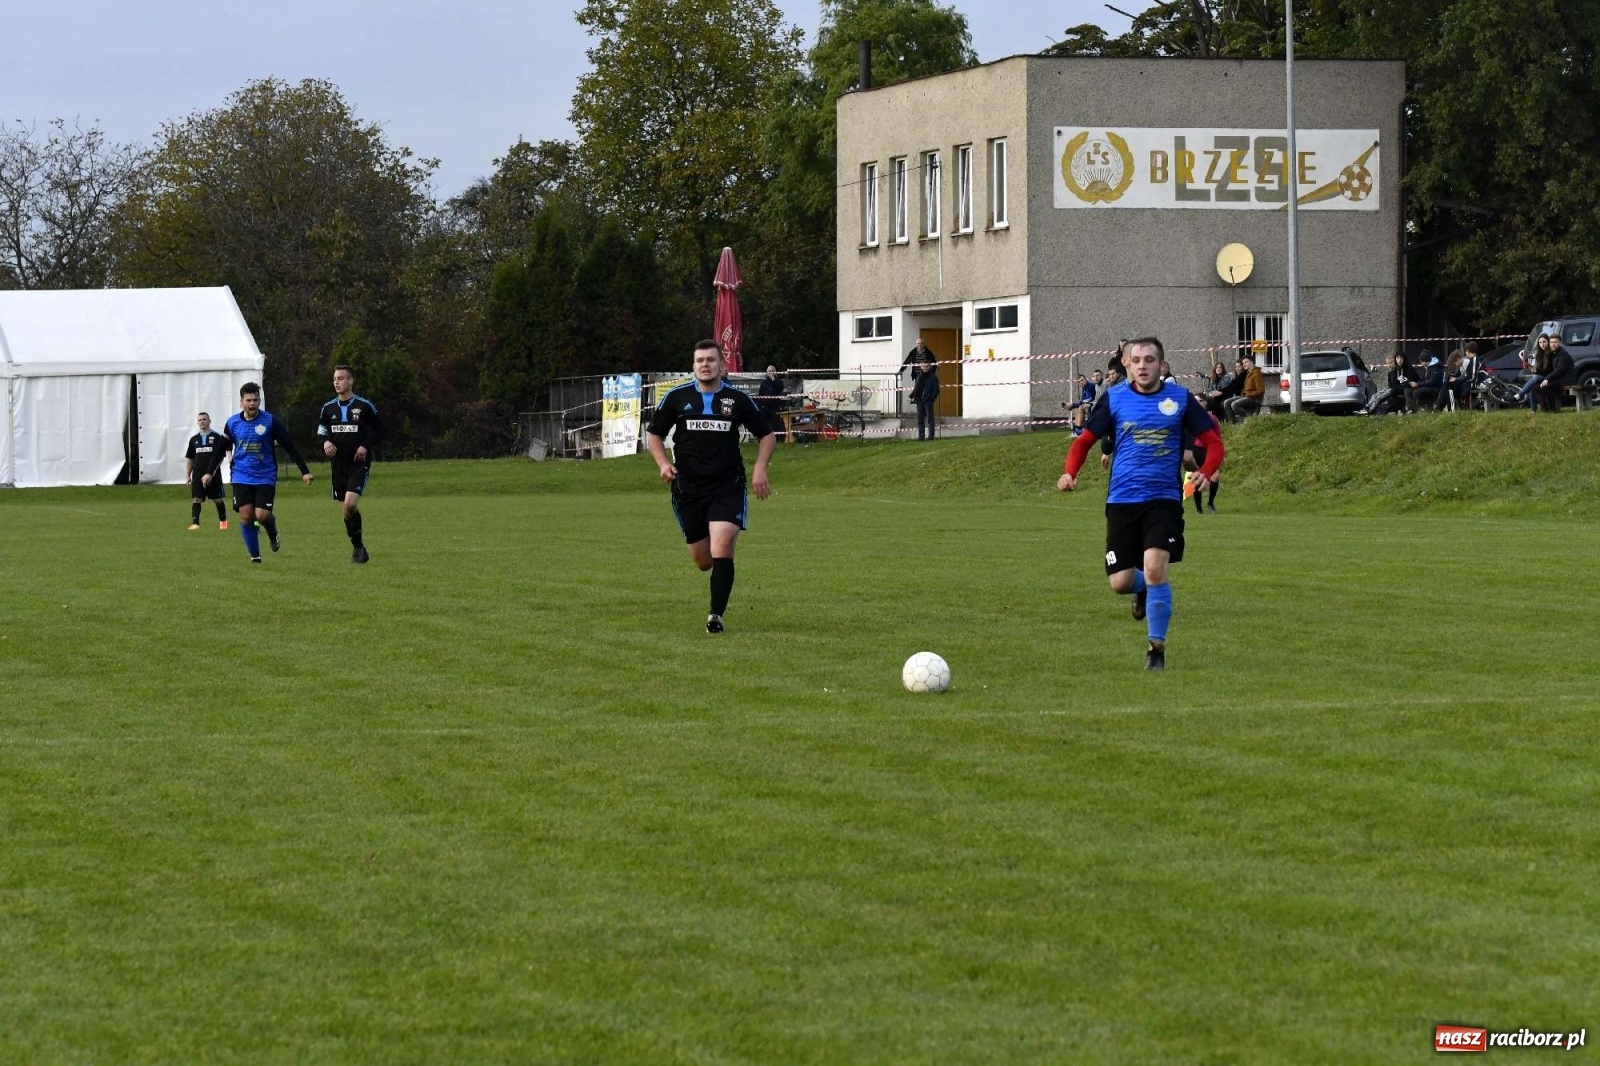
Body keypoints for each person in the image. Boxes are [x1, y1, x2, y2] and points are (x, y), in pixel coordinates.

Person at [1057, 337, 1225, 670]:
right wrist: (1069, 473)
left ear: (1162, 365)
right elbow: (1084, 442)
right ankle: (1144, 590)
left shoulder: (1179, 399)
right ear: (1127, 365)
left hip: (1163, 500)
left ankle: (1156, 650)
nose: (1143, 365)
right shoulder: (1114, 399)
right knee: (1120, 582)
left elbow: (1213, 442)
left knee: (1154, 568)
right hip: (1122, 500)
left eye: (1149, 360)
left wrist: (1206, 471)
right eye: (1136, 360)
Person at [645, 339, 775, 634]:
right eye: (700, 360)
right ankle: (715, 556)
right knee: (704, 561)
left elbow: (767, 436)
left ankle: (715, 616)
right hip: (688, 488)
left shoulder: (738, 400)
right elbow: (654, 435)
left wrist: (759, 469)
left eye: (711, 360)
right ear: (693, 366)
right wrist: (664, 464)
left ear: (722, 365)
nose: (705, 365)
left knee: (723, 545)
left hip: (727, 485)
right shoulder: (676, 398)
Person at [225, 382, 313, 563]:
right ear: (241, 402)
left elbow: (289, 445)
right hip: (241, 475)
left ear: (259, 401)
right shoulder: (232, 423)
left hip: (265, 475)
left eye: (255, 400)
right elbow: (221, 448)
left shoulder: (270, 421)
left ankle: (272, 533)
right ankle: (255, 556)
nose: (252, 403)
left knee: (262, 515)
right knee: (246, 515)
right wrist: (209, 472)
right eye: (248, 400)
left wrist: (305, 471)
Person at [316, 364, 384, 564]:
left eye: (341, 378)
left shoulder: (364, 406)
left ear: (351, 381)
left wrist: (365, 445)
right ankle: (358, 547)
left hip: (358, 464)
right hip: (338, 466)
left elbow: (380, 430)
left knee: (350, 504)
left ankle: (358, 549)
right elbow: (321, 432)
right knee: (346, 511)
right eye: (335, 379)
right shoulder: (328, 408)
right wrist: (326, 442)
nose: (337, 382)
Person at [184, 412, 231, 531]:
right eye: (199, 420)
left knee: (217, 500)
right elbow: (190, 459)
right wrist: (187, 475)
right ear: (197, 422)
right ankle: (195, 523)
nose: (202, 422)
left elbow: (221, 456)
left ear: (209, 421)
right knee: (196, 499)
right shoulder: (194, 440)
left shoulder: (216, 437)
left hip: (213, 475)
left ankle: (223, 521)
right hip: (197, 475)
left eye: (204, 419)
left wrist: (213, 471)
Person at [1537, 333, 1575, 412]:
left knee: (1545, 386)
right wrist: (1537, 371)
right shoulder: (1555, 354)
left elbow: (1560, 370)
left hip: (1566, 379)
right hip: (1558, 379)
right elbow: (1551, 370)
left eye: (1555, 342)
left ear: (1560, 343)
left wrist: (1547, 378)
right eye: (1551, 342)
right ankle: (1544, 409)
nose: (1553, 344)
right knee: (1536, 388)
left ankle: (1552, 409)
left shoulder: (1563, 355)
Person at [1223, 354, 1264, 422]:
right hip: (1247, 396)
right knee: (1226, 402)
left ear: (1251, 362)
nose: (1244, 364)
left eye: (1246, 362)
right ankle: (1232, 424)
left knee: (1234, 404)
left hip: (1255, 399)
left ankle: (1251, 418)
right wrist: (1244, 393)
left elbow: (1261, 390)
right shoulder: (1248, 373)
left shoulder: (1256, 374)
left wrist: (1249, 394)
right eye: (1243, 363)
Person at [1516, 333, 1551, 410]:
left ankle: (1520, 394)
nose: (1542, 344)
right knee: (1532, 387)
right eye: (1540, 342)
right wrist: (1534, 370)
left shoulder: (1550, 353)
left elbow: (1549, 369)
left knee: (1536, 377)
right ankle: (1533, 410)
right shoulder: (1539, 354)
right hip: (1541, 375)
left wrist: (1537, 371)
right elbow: (1540, 370)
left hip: (1549, 376)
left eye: (1544, 342)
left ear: (1548, 342)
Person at [911, 352, 941, 440]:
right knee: (920, 420)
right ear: (921, 367)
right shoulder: (919, 376)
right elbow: (917, 388)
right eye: (924, 366)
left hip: (928, 401)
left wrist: (931, 398)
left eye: (927, 366)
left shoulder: (933, 377)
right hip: (919, 401)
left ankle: (930, 437)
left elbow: (936, 390)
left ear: (930, 367)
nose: (925, 368)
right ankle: (921, 437)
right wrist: (911, 396)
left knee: (930, 420)